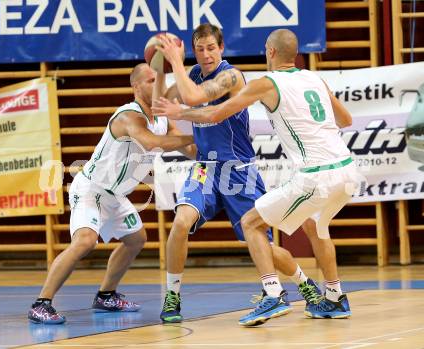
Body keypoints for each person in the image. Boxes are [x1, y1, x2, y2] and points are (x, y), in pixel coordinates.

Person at [152, 29, 359, 326]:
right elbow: (162, 104)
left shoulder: (233, 76)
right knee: (181, 222)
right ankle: (172, 295)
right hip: (204, 167)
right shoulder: (194, 74)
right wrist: (161, 68)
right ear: (194, 51)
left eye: (212, 47)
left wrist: (174, 62)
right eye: (200, 49)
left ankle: (300, 285)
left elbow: (195, 100)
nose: (207, 54)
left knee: (259, 235)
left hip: (239, 168)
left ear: (222, 48)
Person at [28, 63, 195, 324]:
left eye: (158, 80)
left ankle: (106, 295)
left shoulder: (163, 118)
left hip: (115, 196)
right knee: (85, 241)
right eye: (150, 80)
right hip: (91, 189)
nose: (156, 85)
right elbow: (151, 142)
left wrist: (208, 140)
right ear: (136, 87)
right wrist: (192, 135)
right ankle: (41, 303)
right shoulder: (129, 116)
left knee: (136, 239)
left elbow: (190, 150)